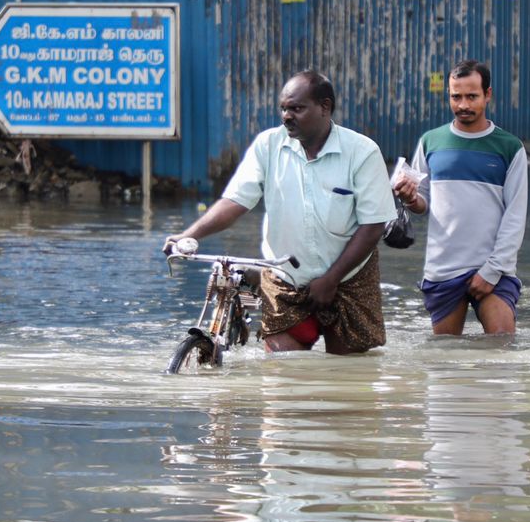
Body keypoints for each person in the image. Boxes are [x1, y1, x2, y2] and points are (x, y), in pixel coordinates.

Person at [163, 71, 397, 354]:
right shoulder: (268, 145)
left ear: (325, 107)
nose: (287, 116)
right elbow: (235, 201)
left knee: (348, 374)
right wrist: (188, 236)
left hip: (349, 279)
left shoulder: (362, 152)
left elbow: (373, 225)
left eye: (297, 108)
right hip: (286, 280)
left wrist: (332, 278)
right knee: (282, 375)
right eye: (284, 108)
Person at [393, 60, 526, 335]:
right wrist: (409, 197)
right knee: (445, 358)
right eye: (456, 97)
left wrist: (492, 270)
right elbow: (422, 203)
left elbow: (515, 216)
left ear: (487, 95)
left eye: (471, 96)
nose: (463, 104)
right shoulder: (431, 141)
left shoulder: (510, 147)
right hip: (444, 268)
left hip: (494, 270)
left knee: (502, 348)